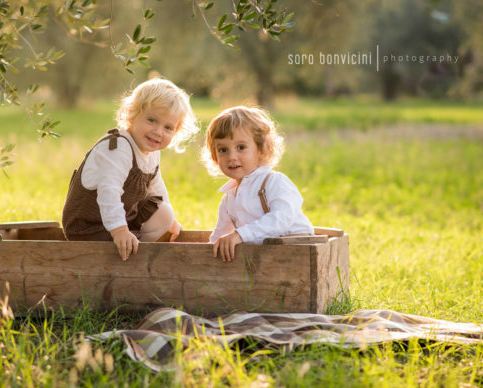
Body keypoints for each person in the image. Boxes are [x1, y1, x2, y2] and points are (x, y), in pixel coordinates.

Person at [62, 78, 198, 261]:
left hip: (120, 220)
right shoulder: (119, 148)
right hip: (89, 227)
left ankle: (136, 254)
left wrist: (170, 223)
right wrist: (119, 231)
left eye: (168, 127)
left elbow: (156, 190)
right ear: (132, 115)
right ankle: (128, 255)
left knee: (164, 213)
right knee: (149, 220)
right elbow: (108, 191)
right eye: (152, 120)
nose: (158, 132)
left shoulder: (151, 152)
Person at [202, 106, 314, 262]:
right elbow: (220, 235)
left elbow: (281, 219)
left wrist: (240, 235)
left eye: (241, 147)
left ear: (261, 150)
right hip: (264, 262)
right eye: (223, 150)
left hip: (297, 253)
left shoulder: (274, 182)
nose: (232, 156)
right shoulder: (229, 199)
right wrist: (203, 254)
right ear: (214, 156)